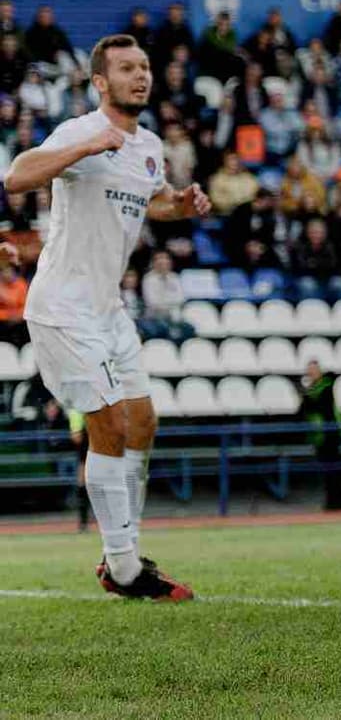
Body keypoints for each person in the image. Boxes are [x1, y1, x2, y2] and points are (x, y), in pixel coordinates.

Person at [6, 34, 212, 600]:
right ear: (101, 82)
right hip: (63, 307)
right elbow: (18, 175)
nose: (140, 75)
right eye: (126, 68)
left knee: (143, 423)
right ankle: (122, 569)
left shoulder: (148, 145)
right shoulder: (82, 130)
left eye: (144, 66)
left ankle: (123, 551)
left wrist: (181, 203)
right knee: (111, 425)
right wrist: (83, 149)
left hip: (109, 309)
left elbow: (153, 200)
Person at [297, 360, 341, 511]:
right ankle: (332, 503)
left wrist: (307, 396)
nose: (312, 373)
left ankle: (339, 504)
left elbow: (319, 405)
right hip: (319, 436)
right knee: (327, 473)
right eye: (310, 371)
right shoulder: (312, 390)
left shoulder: (327, 386)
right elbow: (303, 410)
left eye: (314, 370)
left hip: (331, 434)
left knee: (334, 471)